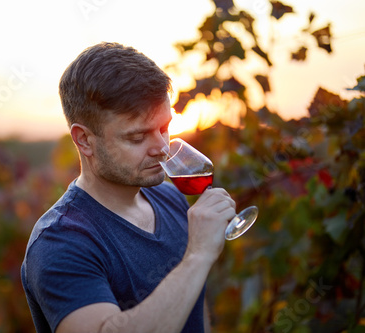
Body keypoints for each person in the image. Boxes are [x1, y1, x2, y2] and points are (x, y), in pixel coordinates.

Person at [21, 42, 236, 333]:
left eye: (164, 128)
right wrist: (197, 257)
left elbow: (192, 308)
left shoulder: (170, 198)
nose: (162, 148)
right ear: (84, 140)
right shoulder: (60, 242)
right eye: (137, 137)